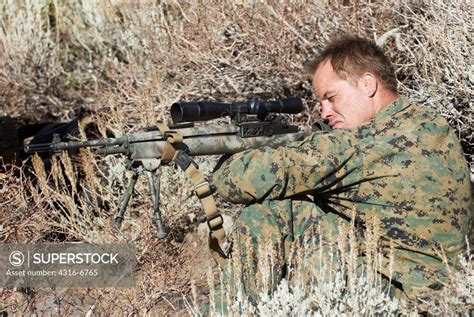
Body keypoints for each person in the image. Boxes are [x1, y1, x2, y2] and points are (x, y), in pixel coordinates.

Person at [211, 35, 472, 303]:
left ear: (368, 84)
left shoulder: (361, 145)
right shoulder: (431, 124)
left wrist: (233, 155)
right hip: (452, 293)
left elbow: (235, 182)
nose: (324, 113)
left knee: (268, 214)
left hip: (402, 301)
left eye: (331, 98)